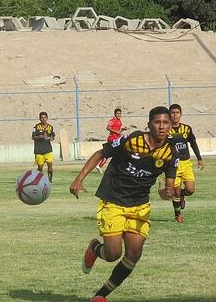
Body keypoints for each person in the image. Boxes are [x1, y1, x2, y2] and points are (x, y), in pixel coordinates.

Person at [69, 106, 179, 302]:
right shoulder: (132, 140)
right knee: (112, 254)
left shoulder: (170, 152)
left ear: (170, 126)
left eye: (165, 123)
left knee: (134, 254)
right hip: (114, 200)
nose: (161, 127)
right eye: (157, 122)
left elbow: (169, 188)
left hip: (140, 206)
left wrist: (166, 193)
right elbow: (100, 153)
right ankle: (95, 248)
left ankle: (101, 295)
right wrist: (79, 179)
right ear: (149, 125)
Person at [167, 104, 204, 222]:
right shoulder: (166, 130)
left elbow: (193, 143)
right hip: (173, 165)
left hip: (186, 163)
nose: (175, 115)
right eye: (173, 113)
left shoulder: (186, 129)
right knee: (176, 192)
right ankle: (177, 215)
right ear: (169, 115)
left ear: (181, 114)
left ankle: (182, 195)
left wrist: (199, 158)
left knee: (190, 190)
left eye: (177, 112)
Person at [96, 108, 128, 173]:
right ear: (114, 114)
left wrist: (122, 129)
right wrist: (117, 132)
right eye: (117, 113)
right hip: (112, 138)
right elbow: (108, 127)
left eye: (120, 113)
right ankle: (100, 165)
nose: (119, 115)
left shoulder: (119, 121)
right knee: (110, 153)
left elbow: (118, 131)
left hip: (116, 139)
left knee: (115, 153)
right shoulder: (112, 120)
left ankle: (101, 166)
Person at [31, 112, 55, 182]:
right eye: (42, 117)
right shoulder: (36, 127)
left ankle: (50, 180)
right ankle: (40, 180)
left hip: (48, 149)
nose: (43, 119)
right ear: (39, 119)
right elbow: (33, 137)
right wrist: (39, 137)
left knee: (50, 166)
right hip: (39, 150)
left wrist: (51, 138)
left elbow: (52, 136)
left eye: (45, 117)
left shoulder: (50, 127)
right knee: (40, 167)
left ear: (47, 118)